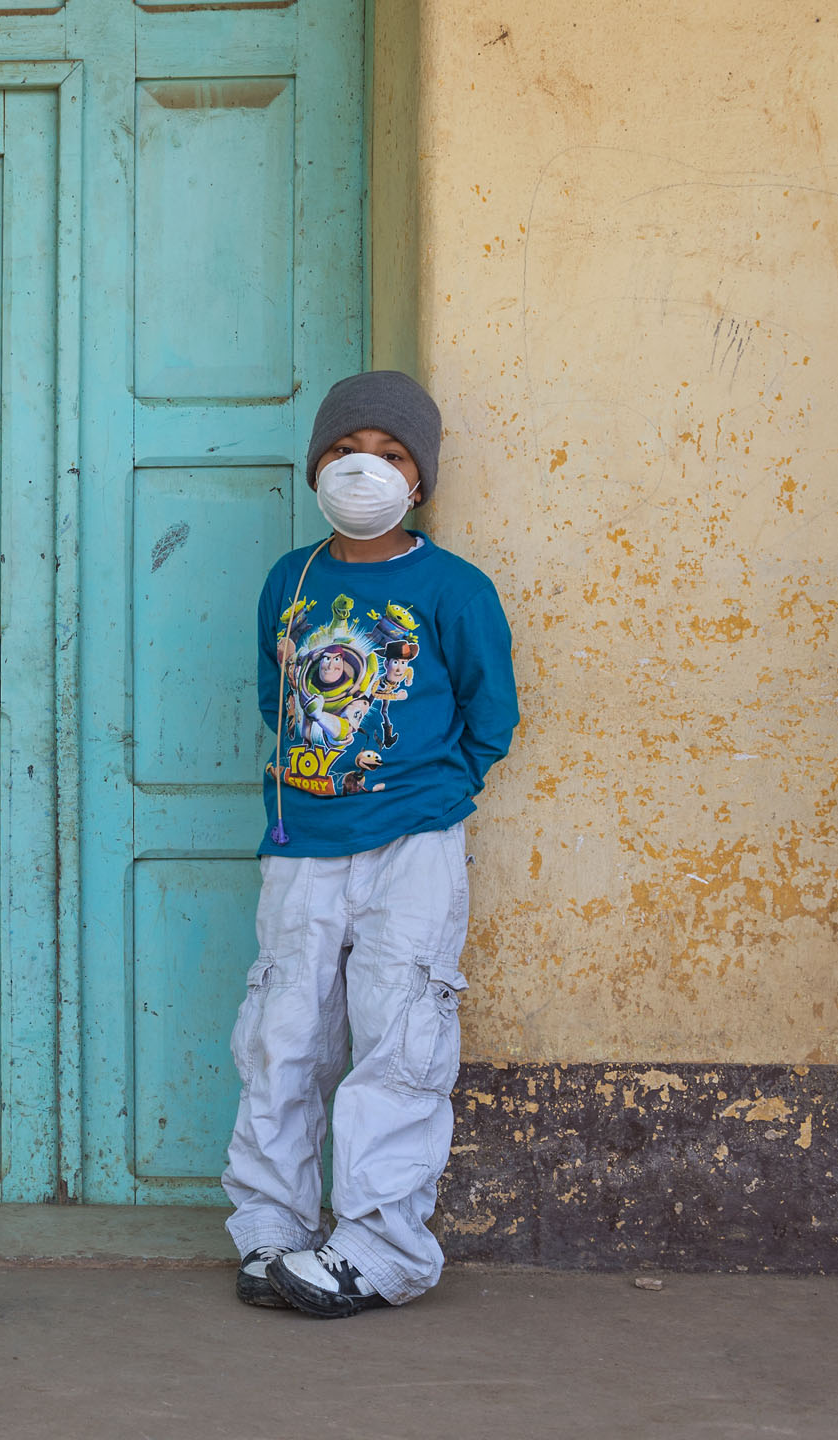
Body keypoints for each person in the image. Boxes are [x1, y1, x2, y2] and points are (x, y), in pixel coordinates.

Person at [225, 371, 519, 1318]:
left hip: (414, 847)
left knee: (401, 1036)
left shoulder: (454, 588)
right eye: (348, 451)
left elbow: (491, 715)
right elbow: (275, 697)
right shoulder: (292, 579)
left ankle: (382, 1246)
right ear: (318, 467)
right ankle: (270, 1227)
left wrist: (432, 794)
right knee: (283, 1035)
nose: (368, 469)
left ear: (421, 479)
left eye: (392, 456)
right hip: (302, 840)